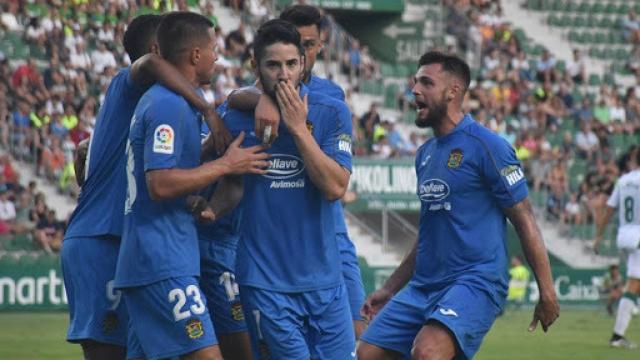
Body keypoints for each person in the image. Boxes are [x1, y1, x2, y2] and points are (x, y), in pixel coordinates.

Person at [357, 51, 559, 359]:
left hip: (475, 281)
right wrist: (391, 287)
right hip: (423, 285)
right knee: (366, 354)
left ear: (453, 91)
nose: (415, 90)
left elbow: (525, 219)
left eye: (426, 82)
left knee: (427, 352)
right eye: (415, 82)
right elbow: (428, 233)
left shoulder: (488, 146)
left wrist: (547, 290)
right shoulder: (424, 154)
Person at [61, 13, 230, 360]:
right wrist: (207, 109)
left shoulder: (155, 105)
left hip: (124, 242)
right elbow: (152, 64)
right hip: (102, 238)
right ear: (156, 51)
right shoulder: (131, 85)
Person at [113, 11, 270, 360]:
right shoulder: (169, 105)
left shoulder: (166, 101)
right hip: (161, 261)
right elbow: (160, 183)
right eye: (213, 48)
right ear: (195, 55)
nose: (218, 56)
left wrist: (198, 198)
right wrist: (226, 164)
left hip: (154, 259)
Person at [226, 3, 366, 339]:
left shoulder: (330, 98)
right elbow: (233, 97)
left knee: (358, 332)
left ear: (316, 49)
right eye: (294, 44)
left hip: (330, 237)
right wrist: (261, 99)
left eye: (307, 46)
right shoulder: (257, 93)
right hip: (274, 254)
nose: (293, 63)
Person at [594, 147, 640, 349]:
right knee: (633, 285)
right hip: (639, 235)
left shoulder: (623, 181)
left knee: (634, 284)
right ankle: (617, 336)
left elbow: (609, 210)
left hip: (625, 236)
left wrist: (598, 236)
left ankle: (618, 335)